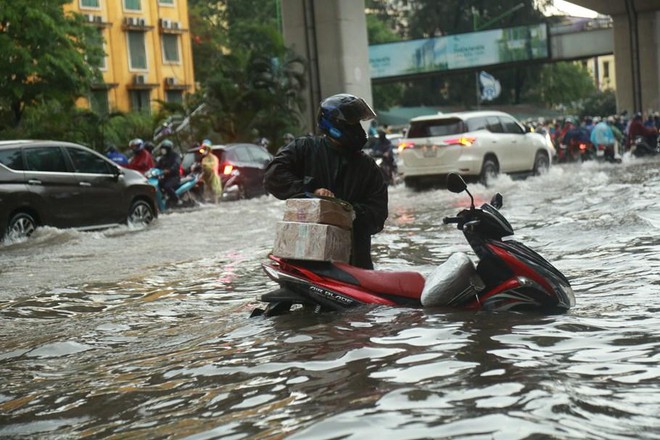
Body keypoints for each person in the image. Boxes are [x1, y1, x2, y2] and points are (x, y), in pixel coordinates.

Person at [263, 93, 388, 270]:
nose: (358, 129)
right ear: (335, 125)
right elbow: (273, 176)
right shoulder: (304, 149)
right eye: (352, 124)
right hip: (304, 261)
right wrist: (311, 193)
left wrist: (345, 211)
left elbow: (379, 214)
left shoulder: (367, 167)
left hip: (353, 264)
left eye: (358, 124)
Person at [156, 139, 182, 206]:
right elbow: (157, 166)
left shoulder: (175, 156)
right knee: (158, 184)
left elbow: (176, 164)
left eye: (164, 148)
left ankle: (177, 200)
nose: (162, 150)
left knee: (167, 186)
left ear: (168, 149)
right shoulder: (163, 158)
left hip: (174, 177)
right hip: (165, 177)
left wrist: (169, 170)